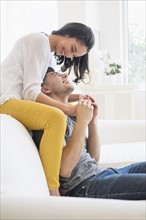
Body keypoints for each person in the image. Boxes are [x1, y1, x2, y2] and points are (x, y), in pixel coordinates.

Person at [0, 22, 95, 196]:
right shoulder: (38, 41)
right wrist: (67, 110)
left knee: (58, 116)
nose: (70, 55)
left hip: (16, 101)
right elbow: (30, 92)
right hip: (5, 100)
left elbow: (46, 91)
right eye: (72, 48)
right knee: (56, 118)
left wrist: (77, 98)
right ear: (67, 33)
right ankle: (53, 191)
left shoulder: (47, 53)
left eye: (75, 55)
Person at [33, 67, 146, 200]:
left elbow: (94, 157)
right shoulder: (50, 120)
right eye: (56, 75)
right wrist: (82, 121)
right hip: (83, 186)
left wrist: (92, 121)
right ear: (45, 89)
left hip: (103, 174)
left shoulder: (69, 115)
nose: (64, 74)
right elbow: (64, 170)